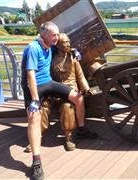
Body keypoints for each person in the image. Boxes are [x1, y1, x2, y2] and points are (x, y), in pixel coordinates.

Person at [21, 22, 96, 180]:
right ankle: (36, 162)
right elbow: (30, 76)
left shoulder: (50, 45)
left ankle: (81, 130)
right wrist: (35, 99)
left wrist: (75, 51)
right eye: (53, 35)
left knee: (78, 97)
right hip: (34, 87)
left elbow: (64, 49)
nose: (56, 38)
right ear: (44, 35)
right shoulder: (33, 48)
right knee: (33, 118)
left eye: (57, 35)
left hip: (48, 83)